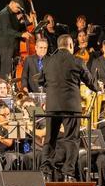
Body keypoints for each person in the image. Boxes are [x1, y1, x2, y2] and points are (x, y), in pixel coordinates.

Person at [38, 34, 99, 176]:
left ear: (59, 45)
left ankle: (45, 172)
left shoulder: (47, 61)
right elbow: (92, 84)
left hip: (52, 106)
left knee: (50, 139)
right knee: (71, 139)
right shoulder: (78, 61)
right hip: (71, 107)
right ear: (71, 45)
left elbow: (40, 81)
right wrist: (97, 85)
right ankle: (68, 173)